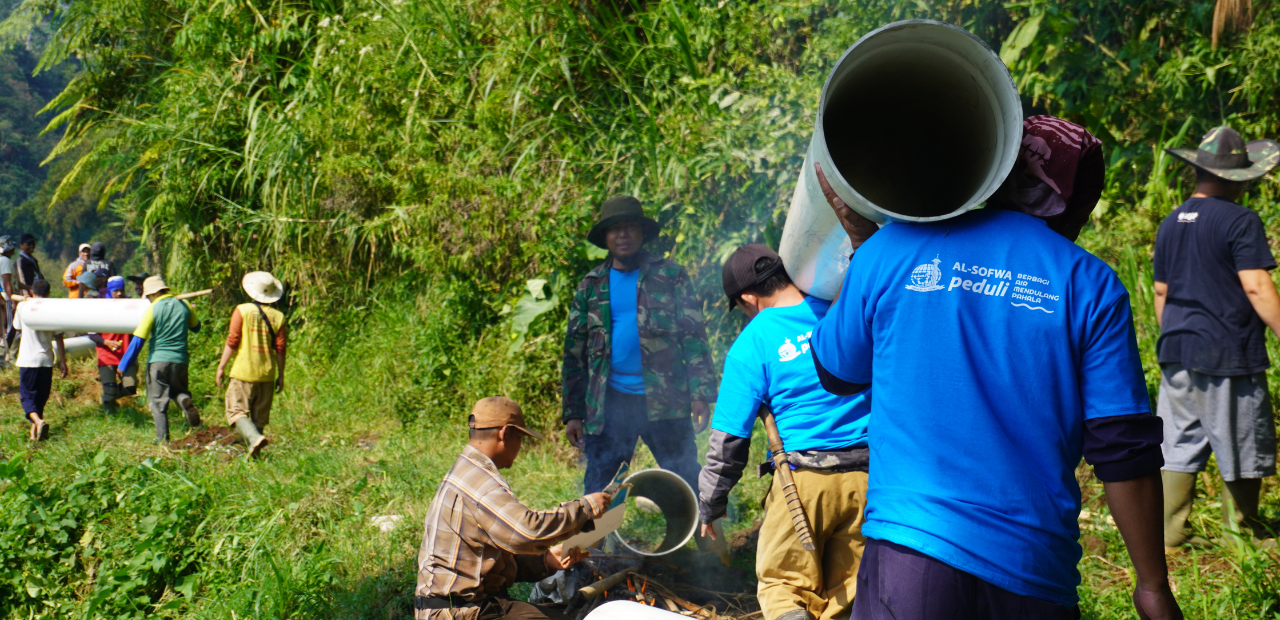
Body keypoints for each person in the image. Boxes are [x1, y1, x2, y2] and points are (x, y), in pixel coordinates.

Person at [810, 116, 1181, 619]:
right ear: (1075, 198)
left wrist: (866, 252)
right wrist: (1152, 585)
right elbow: (1123, 450)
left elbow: (836, 371)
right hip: (1031, 571)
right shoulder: (1088, 282)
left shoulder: (890, 248)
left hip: (910, 558)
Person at [698, 244, 871, 620]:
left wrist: (710, 504)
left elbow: (729, 441)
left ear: (748, 298)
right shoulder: (840, 313)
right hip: (868, 476)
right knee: (846, 596)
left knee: (783, 587)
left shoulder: (752, 343)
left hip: (803, 483)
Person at [1153, 126, 1280, 549]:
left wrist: (1171, 335)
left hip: (1176, 347)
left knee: (1178, 438)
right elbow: (1257, 286)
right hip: (1226, 349)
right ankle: (1240, 534)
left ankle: (1170, 532)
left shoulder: (1171, 222)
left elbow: (1161, 293)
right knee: (1241, 434)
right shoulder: (1241, 220)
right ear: (1235, 177)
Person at [561, 196, 718, 492]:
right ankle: (592, 539)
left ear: (642, 232)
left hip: (665, 399)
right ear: (605, 237)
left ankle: (706, 536)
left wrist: (700, 394)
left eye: (630, 227)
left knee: (685, 474)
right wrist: (573, 412)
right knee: (600, 481)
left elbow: (693, 335)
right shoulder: (591, 285)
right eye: (614, 229)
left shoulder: (670, 275)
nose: (622, 235)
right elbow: (574, 353)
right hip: (610, 403)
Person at [415, 396, 612, 620]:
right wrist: (585, 507)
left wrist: (544, 561)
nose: (519, 447)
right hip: (461, 612)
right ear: (505, 433)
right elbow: (528, 532)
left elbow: (491, 556)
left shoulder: (467, 470)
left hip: (467, 605)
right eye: (519, 437)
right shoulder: (480, 483)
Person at [118, 275, 203, 443]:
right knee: (178, 391)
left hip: (158, 361)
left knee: (158, 402)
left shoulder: (153, 309)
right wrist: (190, 310)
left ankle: (162, 441)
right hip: (180, 359)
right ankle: (184, 399)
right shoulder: (183, 305)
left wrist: (123, 364)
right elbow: (196, 327)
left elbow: (138, 341)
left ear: (151, 294)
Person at [215, 271, 287, 457]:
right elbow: (280, 349)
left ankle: (254, 440)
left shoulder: (243, 310)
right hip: (267, 374)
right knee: (259, 417)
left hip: (244, 372)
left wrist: (222, 366)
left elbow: (233, 340)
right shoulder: (279, 317)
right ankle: (255, 455)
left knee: (236, 411)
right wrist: (281, 375)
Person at [12, 280, 67, 440]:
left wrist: (23, 302)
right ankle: (34, 435)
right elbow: (58, 337)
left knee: (27, 397)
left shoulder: (24, 306)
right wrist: (63, 361)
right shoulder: (53, 309)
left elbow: (18, 327)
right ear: (49, 293)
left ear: (31, 292)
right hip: (46, 360)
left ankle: (38, 421)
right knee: (40, 398)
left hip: (28, 360)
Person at [87, 277, 136, 411]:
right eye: (116, 291)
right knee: (110, 389)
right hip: (106, 355)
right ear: (110, 291)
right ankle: (110, 412)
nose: (119, 293)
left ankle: (109, 398)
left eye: (121, 290)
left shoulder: (130, 306)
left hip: (126, 355)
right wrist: (106, 342)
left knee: (130, 387)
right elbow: (91, 333)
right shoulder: (101, 308)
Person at [0, 236, 16, 367]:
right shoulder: (5, 260)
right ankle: (4, 356)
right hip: (6, 297)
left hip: (3, 297)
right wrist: (12, 299)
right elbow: (7, 283)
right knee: (10, 328)